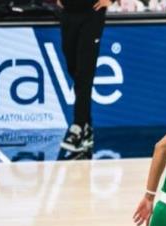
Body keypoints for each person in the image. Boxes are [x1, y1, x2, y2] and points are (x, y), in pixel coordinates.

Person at [58, 0, 111, 152]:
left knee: (84, 72)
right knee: (73, 68)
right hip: (68, 12)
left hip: (91, 13)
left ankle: (78, 126)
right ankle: (86, 128)